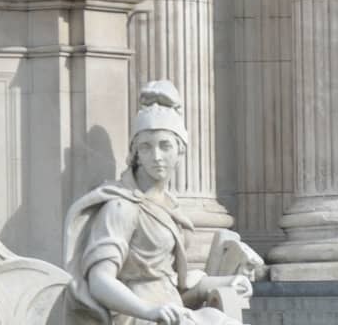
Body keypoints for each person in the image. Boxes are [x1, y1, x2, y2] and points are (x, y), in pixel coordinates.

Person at [65, 83, 262, 325]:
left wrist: (226, 282)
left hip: (172, 310)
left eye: (165, 145)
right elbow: (99, 280)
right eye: (146, 147)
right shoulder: (122, 206)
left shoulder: (169, 206)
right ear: (135, 153)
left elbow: (171, 285)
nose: (156, 156)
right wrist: (148, 311)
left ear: (180, 150)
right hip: (136, 316)